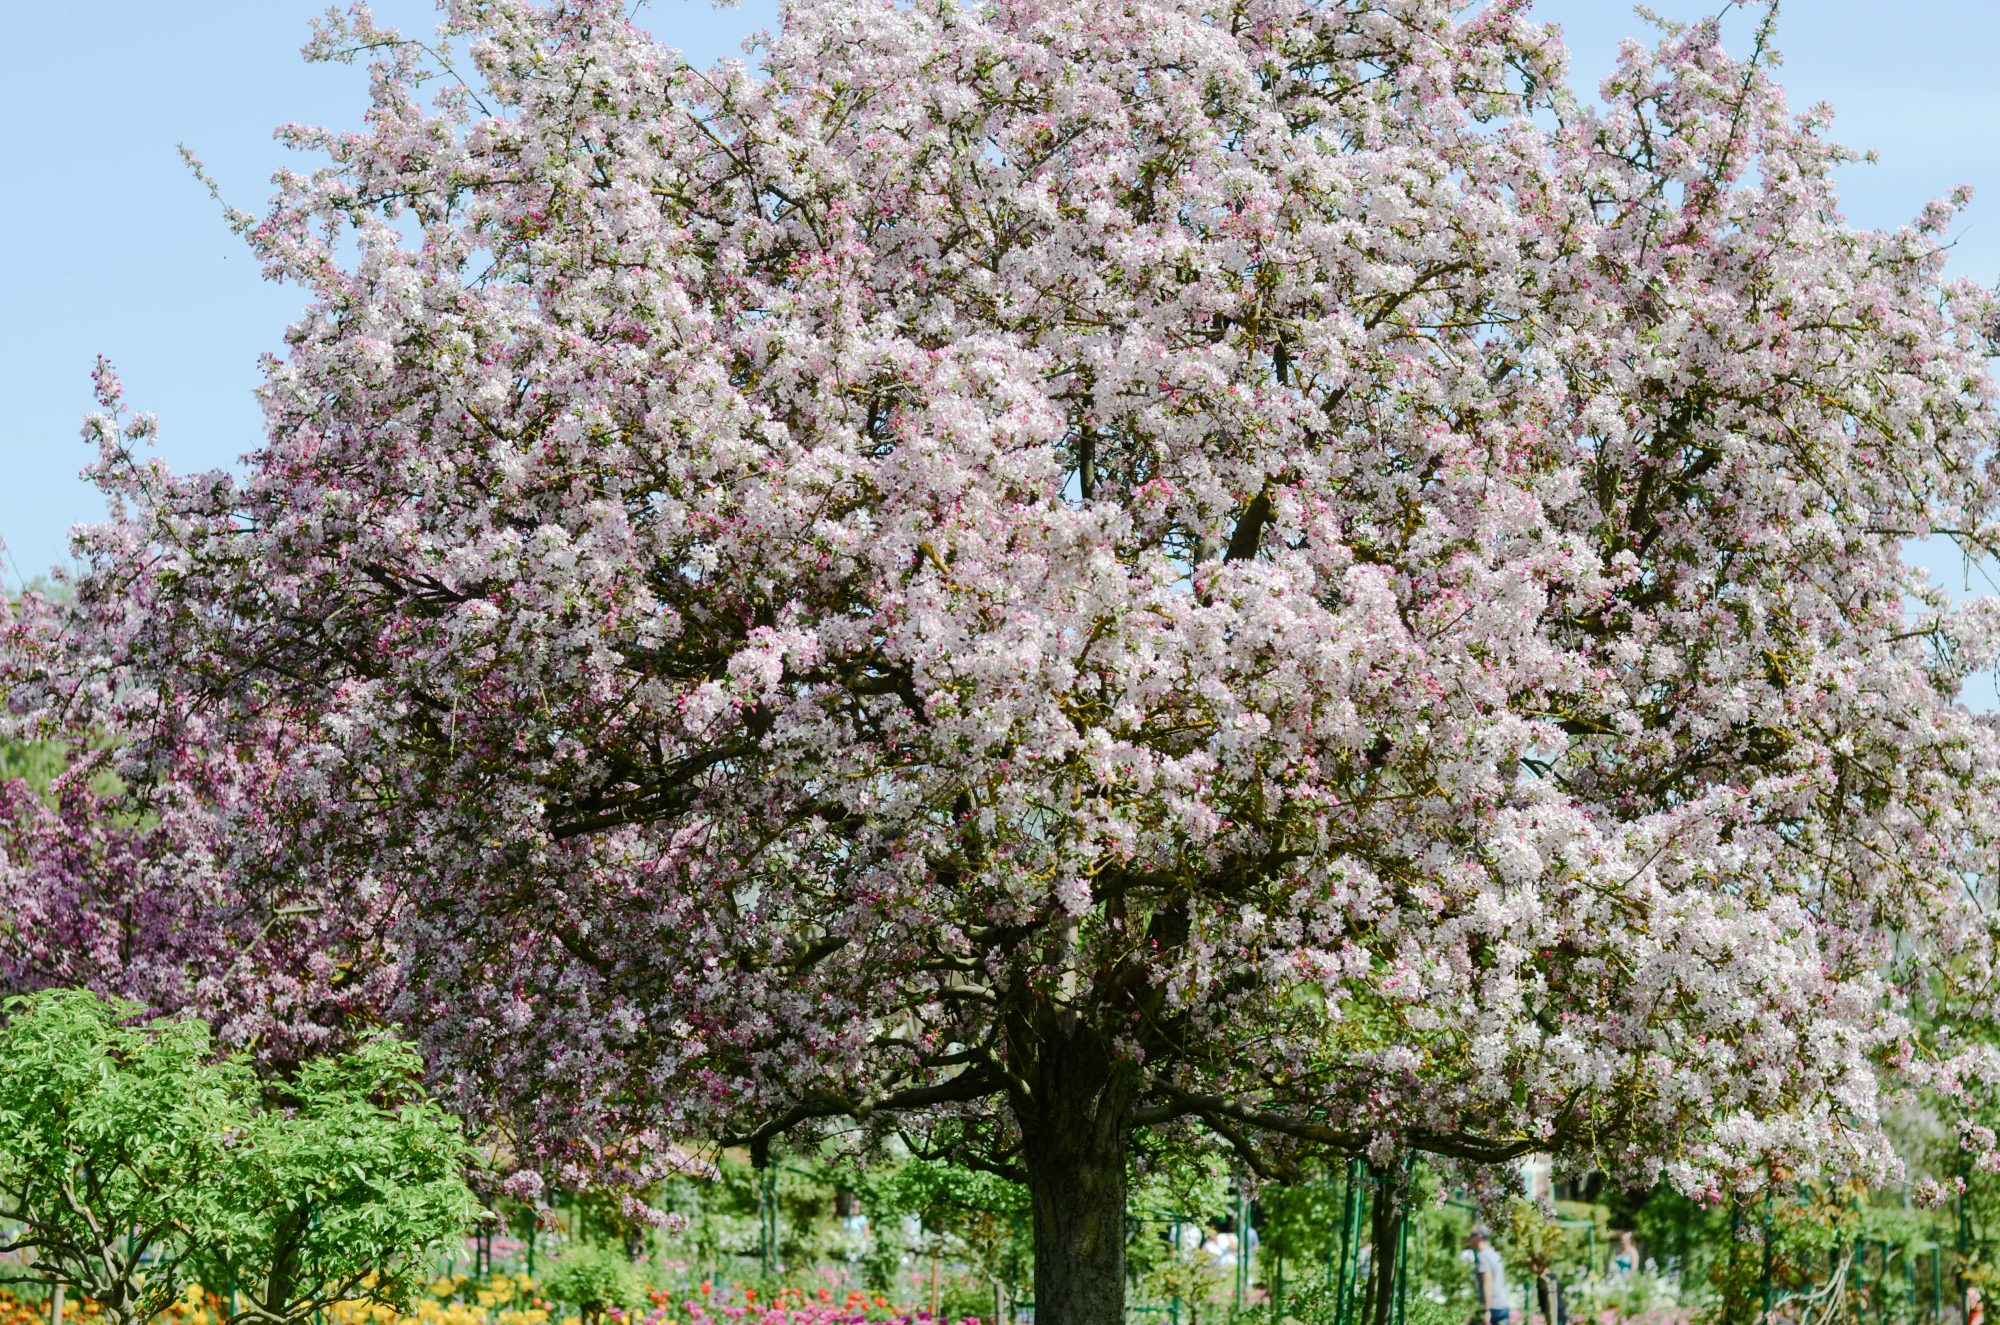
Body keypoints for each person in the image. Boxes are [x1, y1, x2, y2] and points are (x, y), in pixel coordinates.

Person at [1465, 1225, 1511, 1325]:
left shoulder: (1483, 1256)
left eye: (1471, 1235)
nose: (1469, 1239)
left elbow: (1488, 1282)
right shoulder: (1495, 1254)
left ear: (1479, 1236)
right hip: (1503, 1305)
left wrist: (1487, 1311)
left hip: (1492, 1308)